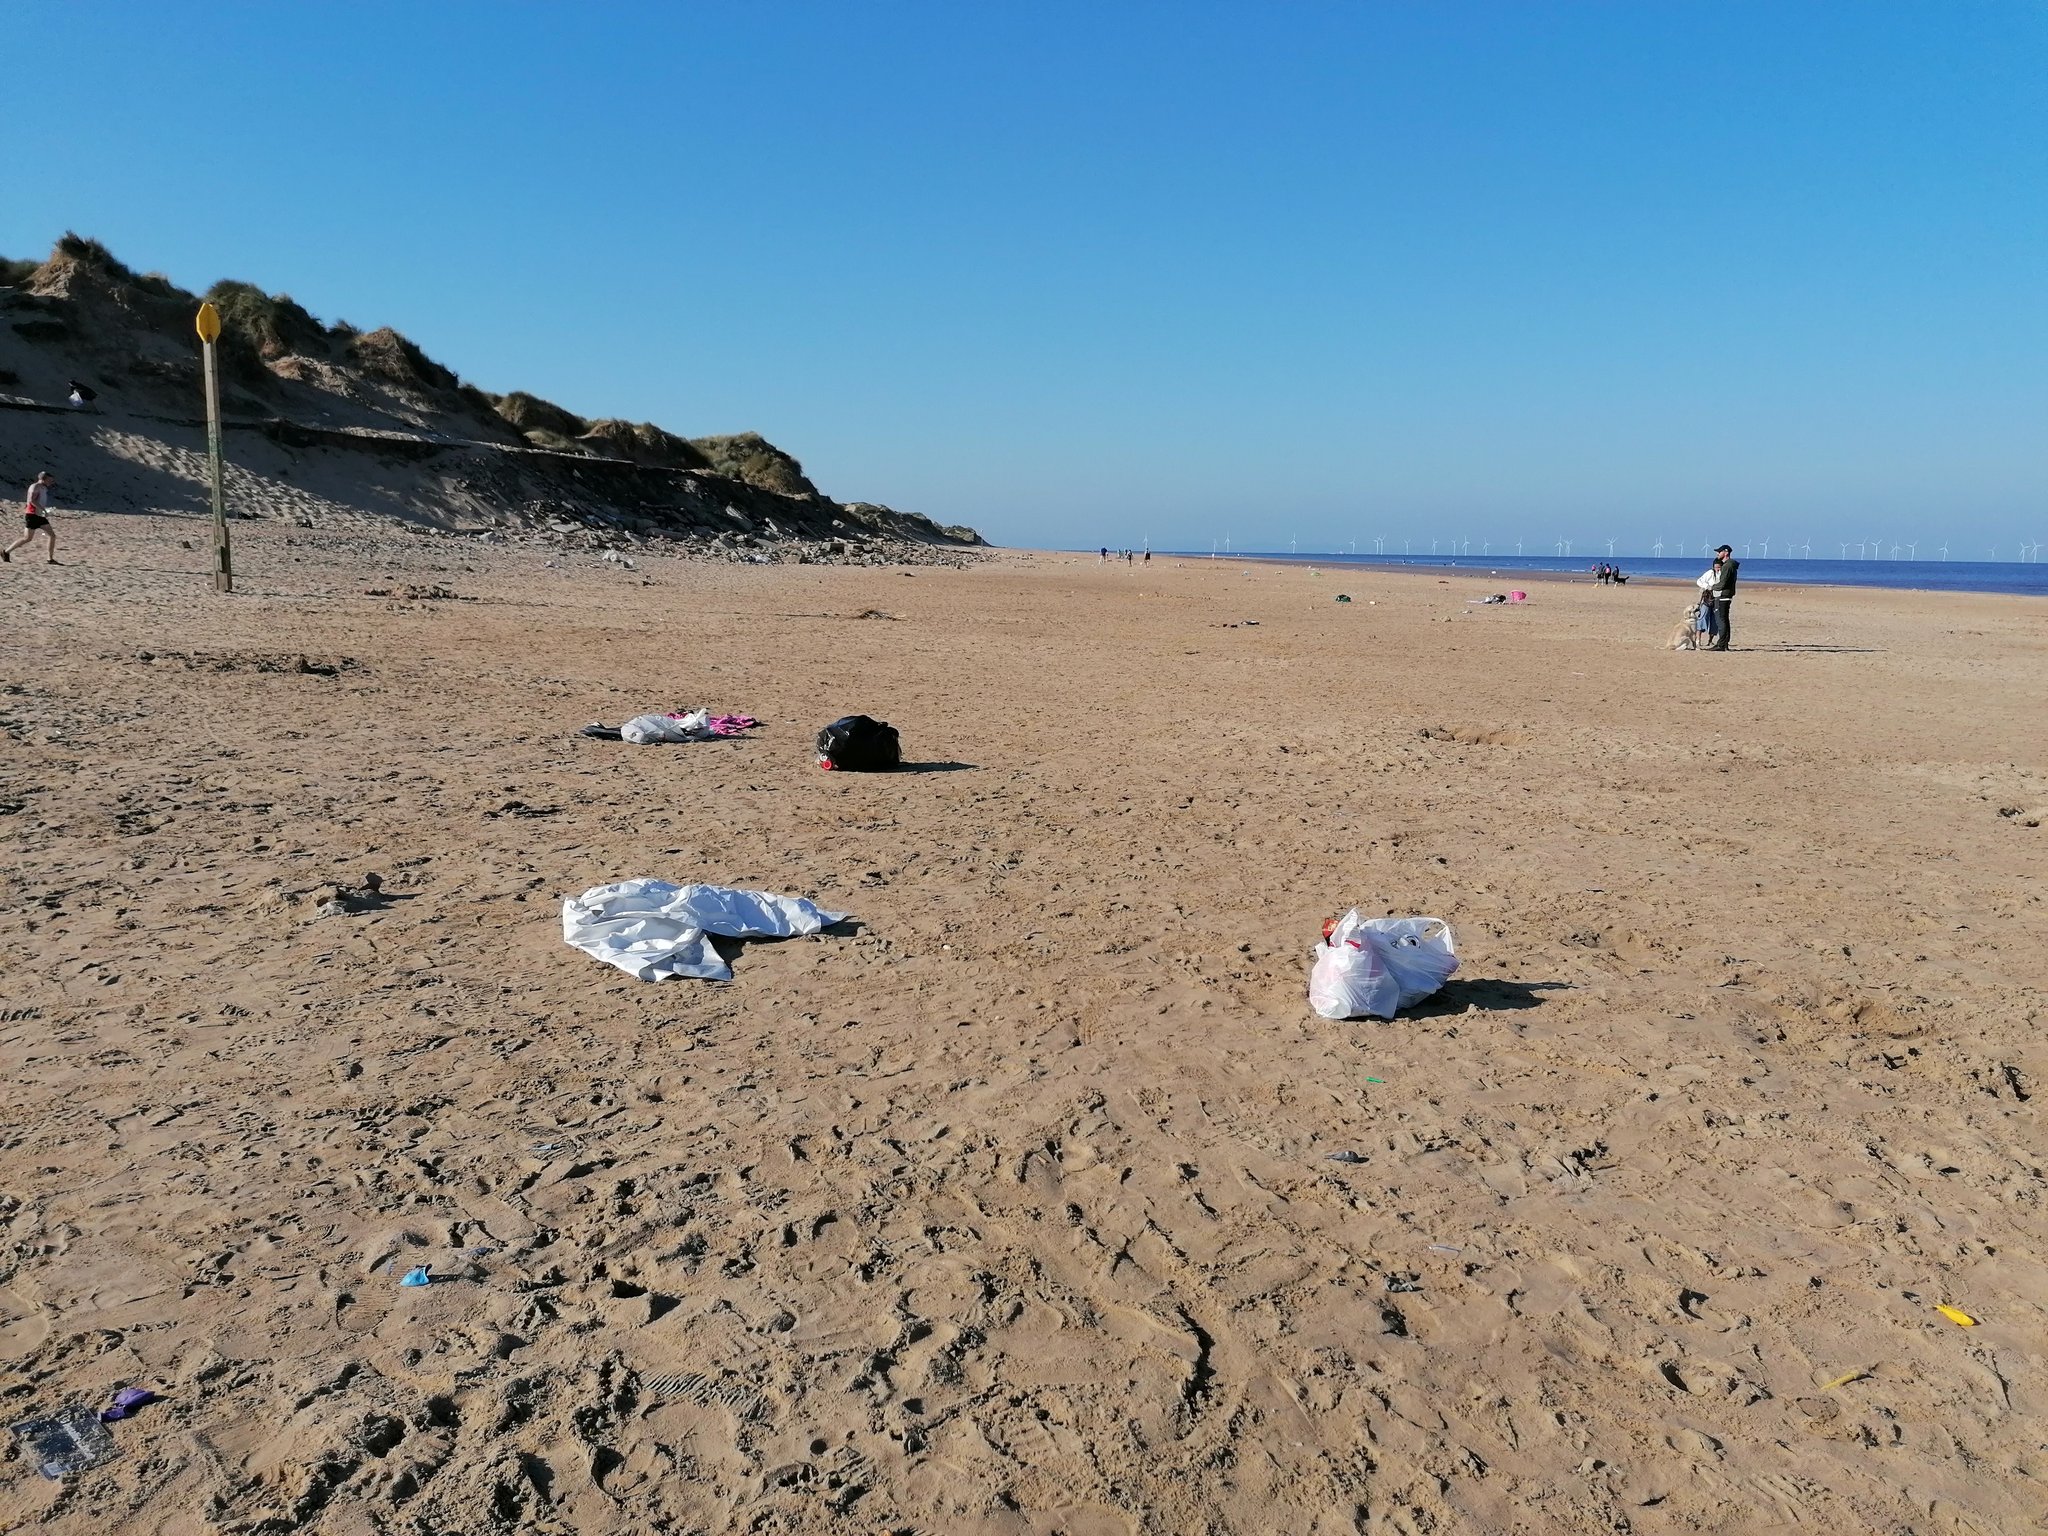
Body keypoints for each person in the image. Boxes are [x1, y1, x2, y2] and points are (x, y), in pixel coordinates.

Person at [4, 472, 57, 564]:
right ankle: (6, 552)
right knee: (27, 538)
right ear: (43, 479)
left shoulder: (43, 488)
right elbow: (32, 500)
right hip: (32, 514)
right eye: (49, 480)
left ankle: (50, 559)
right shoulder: (35, 486)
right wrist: (43, 509)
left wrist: (43, 510)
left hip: (39, 515)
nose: (51, 482)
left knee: (52, 535)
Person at [1706, 543, 1738, 650]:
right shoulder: (1729, 565)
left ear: (1725, 552)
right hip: (1727, 594)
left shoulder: (1727, 566)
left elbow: (1723, 582)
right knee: (1724, 619)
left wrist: (1712, 587)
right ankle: (1724, 644)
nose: (1717, 553)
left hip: (1723, 595)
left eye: (1719, 552)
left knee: (1721, 620)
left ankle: (1721, 644)